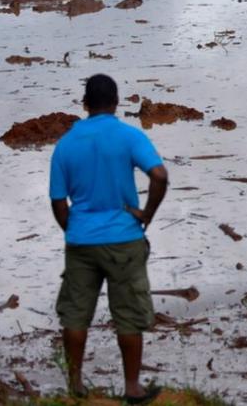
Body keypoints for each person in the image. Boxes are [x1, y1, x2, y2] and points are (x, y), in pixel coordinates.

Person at [50, 74, 170, 404]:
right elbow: (159, 175)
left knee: (75, 315)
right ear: (116, 104)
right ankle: (132, 387)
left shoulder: (66, 145)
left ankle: (75, 384)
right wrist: (146, 214)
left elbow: (58, 202)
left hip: (81, 241)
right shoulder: (129, 136)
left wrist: (73, 230)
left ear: (85, 104)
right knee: (128, 315)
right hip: (124, 240)